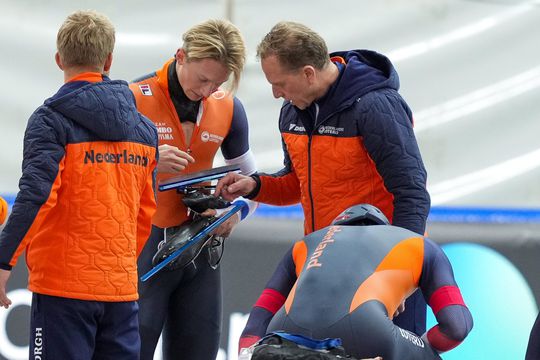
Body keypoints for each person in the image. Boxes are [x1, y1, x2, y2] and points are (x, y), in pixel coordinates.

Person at [216, 21, 431, 335]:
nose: (276, 94)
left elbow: (412, 193)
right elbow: (297, 184)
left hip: (379, 272)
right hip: (323, 270)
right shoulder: (292, 112)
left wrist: (398, 274)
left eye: (280, 84)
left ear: (308, 73)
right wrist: (255, 186)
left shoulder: (376, 106)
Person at [0, 10, 158, 359]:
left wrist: (3, 260)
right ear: (109, 59)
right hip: (120, 289)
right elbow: (145, 212)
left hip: (62, 289)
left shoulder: (50, 119)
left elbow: (37, 196)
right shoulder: (145, 130)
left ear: (59, 59)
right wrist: (117, 263)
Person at [130, 19, 257, 360]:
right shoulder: (133, 98)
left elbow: (253, 183)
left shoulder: (228, 107)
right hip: (144, 243)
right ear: (181, 56)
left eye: (217, 83)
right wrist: (150, 160)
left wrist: (236, 212)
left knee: (199, 348)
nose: (207, 91)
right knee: (133, 346)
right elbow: (102, 174)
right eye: (202, 79)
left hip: (200, 242)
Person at [239, 204, 473, 360]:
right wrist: (418, 346)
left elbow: (256, 323)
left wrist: (249, 354)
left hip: (284, 330)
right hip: (366, 329)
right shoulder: (418, 243)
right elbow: (457, 326)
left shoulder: (306, 242)